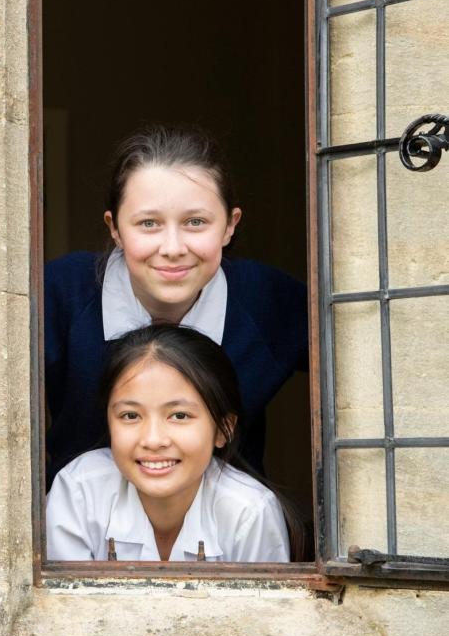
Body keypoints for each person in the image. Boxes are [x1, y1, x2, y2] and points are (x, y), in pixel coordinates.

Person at [44, 126, 306, 482]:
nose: (172, 247)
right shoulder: (59, 294)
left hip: (228, 529)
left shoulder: (270, 301)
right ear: (115, 228)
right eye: (148, 223)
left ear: (230, 225)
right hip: (81, 527)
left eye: (195, 222)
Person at [46, 324, 294, 562]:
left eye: (179, 416)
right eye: (130, 416)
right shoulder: (78, 491)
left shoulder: (249, 513)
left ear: (223, 429)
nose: (153, 440)